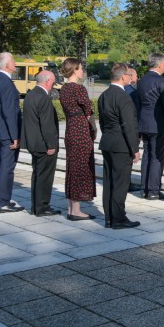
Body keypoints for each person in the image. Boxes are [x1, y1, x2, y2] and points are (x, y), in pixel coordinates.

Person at [97, 63, 141, 229]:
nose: (130, 78)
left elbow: (102, 122)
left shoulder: (104, 95)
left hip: (108, 142)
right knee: (121, 183)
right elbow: (129, 126)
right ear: (123, 77)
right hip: (122, 145)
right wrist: (135, 149)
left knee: (109, 182)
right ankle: (119, 218)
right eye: (129, 76)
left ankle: (109, 217)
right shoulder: (124, 98)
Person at [58, 58, 97, 221]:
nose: (82, 72)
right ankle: (76, 210)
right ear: (74, 70)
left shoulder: (64, 88)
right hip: (81, 129)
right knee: (81, 167)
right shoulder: (78, 89)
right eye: (80, 69)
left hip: (71, 129)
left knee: (72, 167)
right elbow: (88, 110)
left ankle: (71, 207)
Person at [0, 52, 24, 213]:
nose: (15, 64)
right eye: (13, 61)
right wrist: (15, 136)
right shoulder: (6, 82)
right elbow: (10, 111)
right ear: (8, 65)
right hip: (7, 132)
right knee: (7, 167)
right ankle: (2, 202)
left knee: (2, 165)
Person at [21, 70, 61, 217]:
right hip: (43, 144)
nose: (53, 86)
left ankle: (36, 206)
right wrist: (51, 145)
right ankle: (42, 207)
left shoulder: (31, 94)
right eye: (53, 82)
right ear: (48, 81)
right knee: (44, 176)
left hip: (33, 142)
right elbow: (47, 125)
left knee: (37, 175)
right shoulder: (43, 98)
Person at [137, 53, 164, 201]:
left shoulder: (142, 80)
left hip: (144, 123)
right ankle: (153, 190)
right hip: (158, 125)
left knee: (147, 155)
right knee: (157, 157)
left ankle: (144, 188)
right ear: (159, 65)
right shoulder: (162, 81)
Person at [124, 66, 141, 192]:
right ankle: (127, 182)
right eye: (135, 76)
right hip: (131, 128)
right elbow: (136, 111)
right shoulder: (132, 92)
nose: (137, 78)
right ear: (130, 76)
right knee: (129, 156)